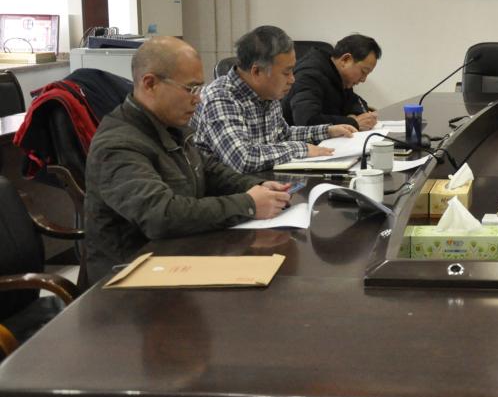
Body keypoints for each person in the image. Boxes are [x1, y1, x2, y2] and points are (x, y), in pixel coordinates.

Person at [84, 37, 294, 282]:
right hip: (129, 278)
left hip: (175, 257)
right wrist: (248, 204)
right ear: (150, 84)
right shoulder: (118, 144)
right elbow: (161, 215)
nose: (199, 99)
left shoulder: (170, 125)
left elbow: (208, 170)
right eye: (191, 89)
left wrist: (256, 186)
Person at [192, 26, 356, 173]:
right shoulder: (220, 97)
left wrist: (327, 131)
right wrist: (302, 149)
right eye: (286, 72)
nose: (292, 79)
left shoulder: (267, 93)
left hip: (260, 182)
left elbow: (283, 135)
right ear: (257, 72)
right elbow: (243, 159)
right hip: (224, 192)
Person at [285, 34, 381, 130]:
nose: (363, 79)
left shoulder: (339, 76)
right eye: (363, 72)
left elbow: (355, 101)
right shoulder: (309, 75)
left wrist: (354, 115)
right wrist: (353, 122)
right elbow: (307, 121)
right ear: (345, 60)